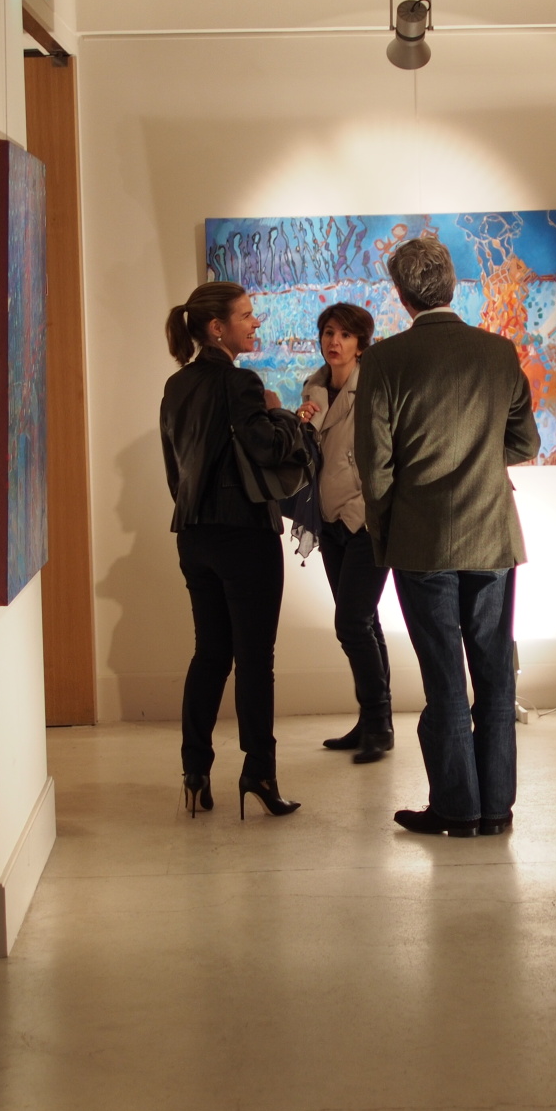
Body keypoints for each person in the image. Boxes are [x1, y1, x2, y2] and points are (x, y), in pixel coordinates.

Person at [354, 239, 540, 838]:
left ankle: (458, 809)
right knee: (495, 673)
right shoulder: (497, 351)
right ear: (452, 285)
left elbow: (374, 468)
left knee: (444, 677)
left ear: (402, 295)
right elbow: (525, 442)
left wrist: (386, 533)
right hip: (492, 535)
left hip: (422, 541)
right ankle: (496, 808)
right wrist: (482, 459)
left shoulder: (384, 360)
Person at [160, 282, 309, 820]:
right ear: (217, 327)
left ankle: (194, 772)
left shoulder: (176, 386)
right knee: (254, 660)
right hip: (244, 532)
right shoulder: (241, 382)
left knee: (210, 653)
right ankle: (259, 773)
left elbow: (174, 470)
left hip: (194, 534)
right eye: (246, 315)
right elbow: (266, 448)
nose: (256, 322)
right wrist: (285, 417)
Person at [295, 304, 392, 764]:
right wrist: (298, 422)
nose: (335, 342)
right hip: (329, 518)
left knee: (351, 623)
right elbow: (310, 457)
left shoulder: (373, 387)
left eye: (346, 335)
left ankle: (378, 723)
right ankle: (373, 721)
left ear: (361, 344)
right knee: (365, 621)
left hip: (366, 518)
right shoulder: (314, 388)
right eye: (329, 332)